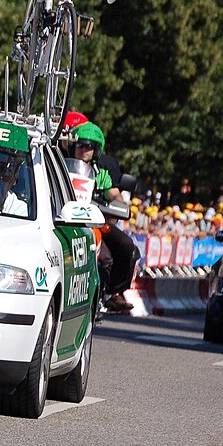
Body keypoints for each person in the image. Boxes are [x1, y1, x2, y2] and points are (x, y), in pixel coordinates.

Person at [70, 121, 138, 314]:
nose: (83, 150)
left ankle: (112, 293)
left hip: (97, 221)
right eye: (80, 145)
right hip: (65, 220)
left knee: (126, 246)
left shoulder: (104, 170)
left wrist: (119, 204)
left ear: (97, 150)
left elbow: (113, 193)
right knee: (104, 255)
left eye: (88, 146)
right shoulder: (59, 165)